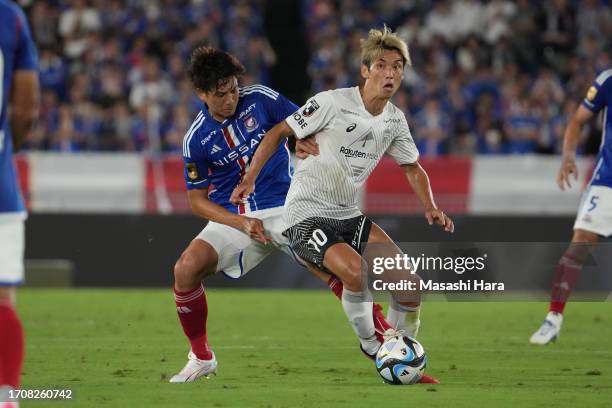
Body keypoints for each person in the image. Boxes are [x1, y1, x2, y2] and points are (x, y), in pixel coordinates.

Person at [231, 27, 453, 380]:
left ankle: (401, 353)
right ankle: (371, 344)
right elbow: (278, 132)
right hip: (306, 214)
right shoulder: (332, 102)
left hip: (348, 215)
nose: (391, 73)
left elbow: (412, 166)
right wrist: (249, 177)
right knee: (354, 272)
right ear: (365, 70)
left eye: (398, 67)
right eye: (382, 65)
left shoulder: (395, 120)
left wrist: (430, 204)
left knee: (410, 285)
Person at [170, 47, 393, 383]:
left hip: (290, 207)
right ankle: (201, 357)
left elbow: (304, 122)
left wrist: (301, 140)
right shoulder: (196, 140)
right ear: (201, 94)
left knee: (335, 270)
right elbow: (197, 202)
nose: (231, 98)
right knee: (185, 269)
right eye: (221, 94)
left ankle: (385, 338)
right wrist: (240, 222)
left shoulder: (260, 98)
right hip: (238, 218)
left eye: (233, 89)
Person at [529, 68, 612, 345]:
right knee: (579, 244)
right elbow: (578, 121)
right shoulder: (607, 81)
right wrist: (567, 155)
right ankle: (553, 319)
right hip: (607, 181)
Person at [0, 0, 39, 404]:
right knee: (2, 298)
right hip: (0, 184)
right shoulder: (9, 17)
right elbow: (26, 111)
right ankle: (6, 394)